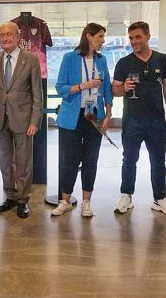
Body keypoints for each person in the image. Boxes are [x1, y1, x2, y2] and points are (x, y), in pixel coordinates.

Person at [0, 21, 43, 218]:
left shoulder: (30, 60)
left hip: (23, 120)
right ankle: (10, 196)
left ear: (18, 37)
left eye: (8, 35)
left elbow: (37, 94)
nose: (5, 38)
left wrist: (34, 121)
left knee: (23, 162)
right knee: (5, 161)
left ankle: (23, 200)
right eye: (1, 35)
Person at [111, 21, 166, 216]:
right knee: (129, 159)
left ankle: (160, 198)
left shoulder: (161, 59)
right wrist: (123, 88)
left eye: (138, 37)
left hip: (156, 120)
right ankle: (126, 195)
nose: (134, 41)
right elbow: (114, 89)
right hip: (132, 120)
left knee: (158, 160)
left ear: (148, 36)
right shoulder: (124, 63)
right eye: (131, 38)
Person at [51, 23, 113, 217]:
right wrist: (82, 85)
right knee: (70, 160)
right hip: (72, 116)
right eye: (100, 37)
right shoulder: (69, 58)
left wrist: (108, 114)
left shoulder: (101, 60)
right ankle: (65, 201)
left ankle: (87, 202)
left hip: (94, 115)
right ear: (88, 36)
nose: (103, 41)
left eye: (103, 37)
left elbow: (107, 89)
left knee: (91, 160)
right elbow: (61, 87)